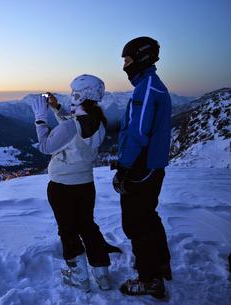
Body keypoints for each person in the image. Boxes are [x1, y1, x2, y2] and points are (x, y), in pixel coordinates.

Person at [30, 74, 121, 292]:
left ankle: (80, 277)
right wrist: (57, 107)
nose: (71, 96)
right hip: (86, 185)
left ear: (81, 95)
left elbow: (46, 146)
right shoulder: (99, 122)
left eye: (74, 93)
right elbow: (72, 129)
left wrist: (40, 117)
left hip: (62, 187)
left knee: (68, 230)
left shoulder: (73, 125)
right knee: (88, 227)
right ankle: (102, 275)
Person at [112, 36, 172, 299]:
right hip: (151, 165)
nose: (124, 66)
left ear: (141, 57)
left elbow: (137, 132)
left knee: (135, 223)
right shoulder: (152, 85)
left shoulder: (146, 88)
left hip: (141, 166)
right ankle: (159, 263)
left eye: (127, 59)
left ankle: (150, 280)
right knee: (148, 215)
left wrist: (124, 168)